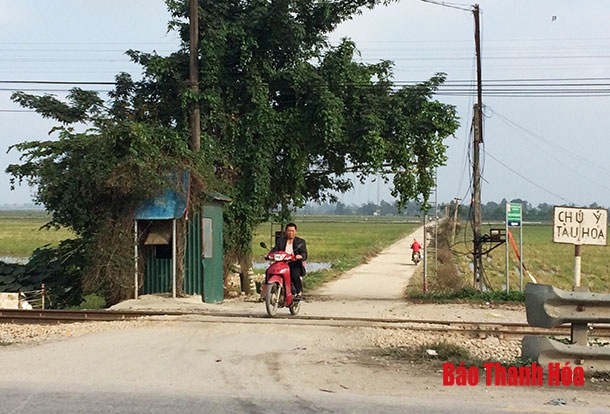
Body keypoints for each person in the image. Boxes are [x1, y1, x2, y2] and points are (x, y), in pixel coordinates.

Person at [271, 222, 307, 299]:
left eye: (292, 231)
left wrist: (300, 256)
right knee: (269, 271)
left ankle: (298, 292)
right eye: (289, 231)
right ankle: (268, 290)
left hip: (294, 264)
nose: (290, 233)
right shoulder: (280, 241)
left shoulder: (300, 242)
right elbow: (275, 249)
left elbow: (304, 253)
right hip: (281, 263)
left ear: (295, 232)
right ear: (286, 232)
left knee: (294, 274)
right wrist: (269, 255)